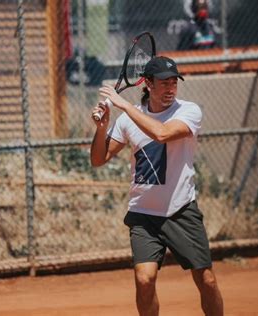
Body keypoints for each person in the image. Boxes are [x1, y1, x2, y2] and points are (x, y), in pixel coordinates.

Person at [90, 56, 224, 316]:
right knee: (144, 280)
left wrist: (125, 107)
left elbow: (161, 134)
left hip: (181, 211)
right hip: (144, 215)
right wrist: (102, 126)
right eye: (164, 83)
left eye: (174, 82)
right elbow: (98, 159)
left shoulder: (188, 111)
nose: (171, 88)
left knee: (206, 280)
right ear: (148, 84)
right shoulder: (127, 120)